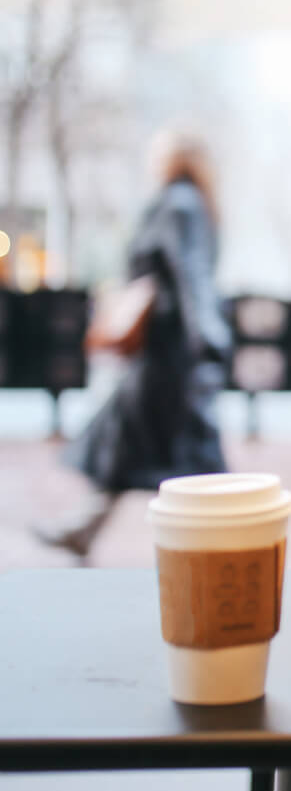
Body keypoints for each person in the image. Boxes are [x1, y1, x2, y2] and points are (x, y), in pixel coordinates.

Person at [34, 127, 231, 559]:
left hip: (172, 358)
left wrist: (208, 339)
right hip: (165, 355)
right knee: (142, 446)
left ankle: (222, 543)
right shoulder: (189, 204)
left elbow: (191, 275)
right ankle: (85, 527)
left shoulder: (178, 205)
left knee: (186, 458)